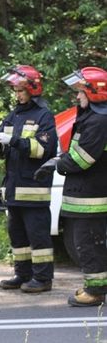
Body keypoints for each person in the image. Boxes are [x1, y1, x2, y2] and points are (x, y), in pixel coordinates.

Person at [35, 66, 107, 307]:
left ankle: (95, 292)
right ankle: (95, 287)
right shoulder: (92, 118)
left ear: (94, 93)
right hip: (83, 195)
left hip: (90, 198)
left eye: (81, 92)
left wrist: (58, 164)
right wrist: (59, 160)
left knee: (88, 245)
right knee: (86, 243)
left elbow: (83, 158)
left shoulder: (98, 121)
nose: (77, 97)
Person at [0, 65, 58, 293]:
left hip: (34, 189)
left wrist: (14, 140)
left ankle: (43, 279)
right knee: (17, 236)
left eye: (20, 90)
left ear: (33, 89)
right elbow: (1, 154)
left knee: (38, 238)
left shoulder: (43, 116)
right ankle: (22, 274)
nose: (17, 95)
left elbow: (43, 150)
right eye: (15, 90)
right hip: (13, 189)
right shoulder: (13, 115)